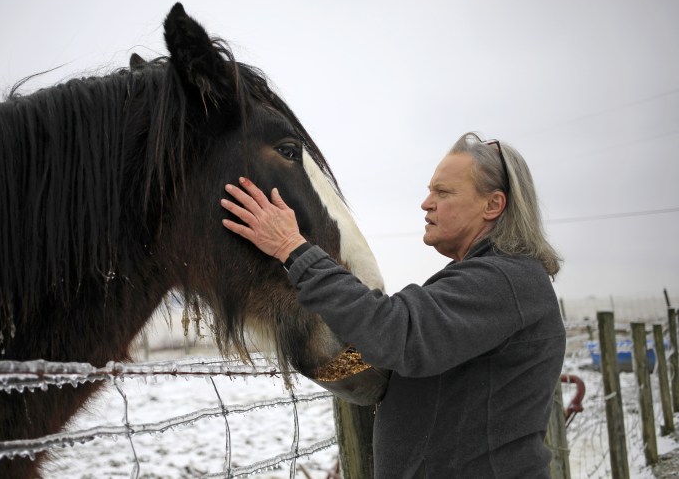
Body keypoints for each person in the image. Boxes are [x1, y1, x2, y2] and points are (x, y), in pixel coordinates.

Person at [220, 132, 565, 478]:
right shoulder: (490, 277)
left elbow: (399, 332)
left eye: (443, 192)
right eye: (430, 190)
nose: (426, 203)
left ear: (493, 205)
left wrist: (293, 249)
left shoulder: (506, 281)